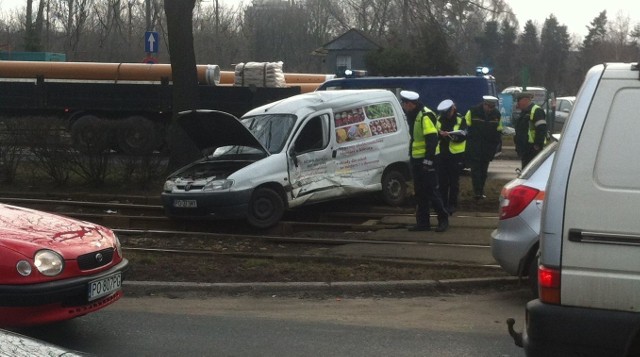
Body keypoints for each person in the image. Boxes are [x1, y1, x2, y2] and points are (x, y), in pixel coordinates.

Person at [400, 90, 449, 232]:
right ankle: (423, 223)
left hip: (428, 159)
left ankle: (443, 219)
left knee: (432, 191)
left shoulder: (425, 115)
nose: (403, 106)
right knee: (420, 192)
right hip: (417, 159)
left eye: (404, 104)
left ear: (410, 104)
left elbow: (432, 140)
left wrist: (428, 161)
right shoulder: (413, 114)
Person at [464, 95, 503, 200]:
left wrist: (495, 147)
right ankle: (477, 192)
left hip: (487, 148)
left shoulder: (497, 115)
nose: (490, 109)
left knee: (484, 172)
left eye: (492, 107)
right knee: (475, 171)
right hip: (475, 147)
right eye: (489, 106)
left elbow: (498, 131)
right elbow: (465, 128)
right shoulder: (473, 112)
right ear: (484, 104)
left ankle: (480, 191)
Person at [436, 99, 467, 215]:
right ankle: (443, 204)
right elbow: (434, 132)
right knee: (442, 181)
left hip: (456, 155)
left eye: (448, 113)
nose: (447, 116)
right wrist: (440, 134)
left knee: (454, 181)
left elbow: (463, 135)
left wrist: (450, 136)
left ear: (453, 109)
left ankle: (452, 205)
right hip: (442, 154)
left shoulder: (460, 119)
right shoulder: (439, 119)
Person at [514, 91, 547, 168]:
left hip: (532, 149)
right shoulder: (524, 112)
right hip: (525, 148)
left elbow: (541, 129)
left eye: (518, 101)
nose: (517, 104)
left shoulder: (536, 111)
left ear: (525, 100)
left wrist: (537, 145)